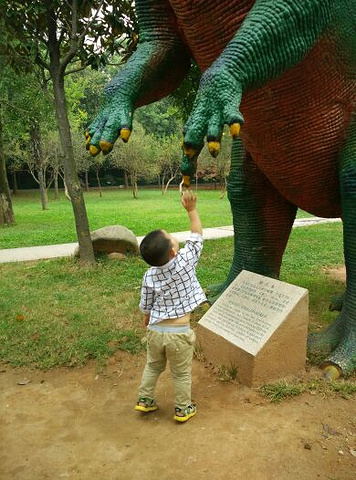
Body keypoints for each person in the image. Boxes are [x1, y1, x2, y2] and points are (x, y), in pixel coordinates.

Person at [135, 190, 206, 422]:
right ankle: (183, 409)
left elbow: (146, 303)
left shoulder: (149, 276)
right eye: (173, 237)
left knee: (153, 366)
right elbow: (196, 235)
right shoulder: (184, 262)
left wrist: (146, 318)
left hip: (155, 331)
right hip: (178, 334)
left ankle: (144, 400)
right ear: (174, 252)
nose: (175, 238)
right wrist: (191, 209)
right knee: (181, 373)